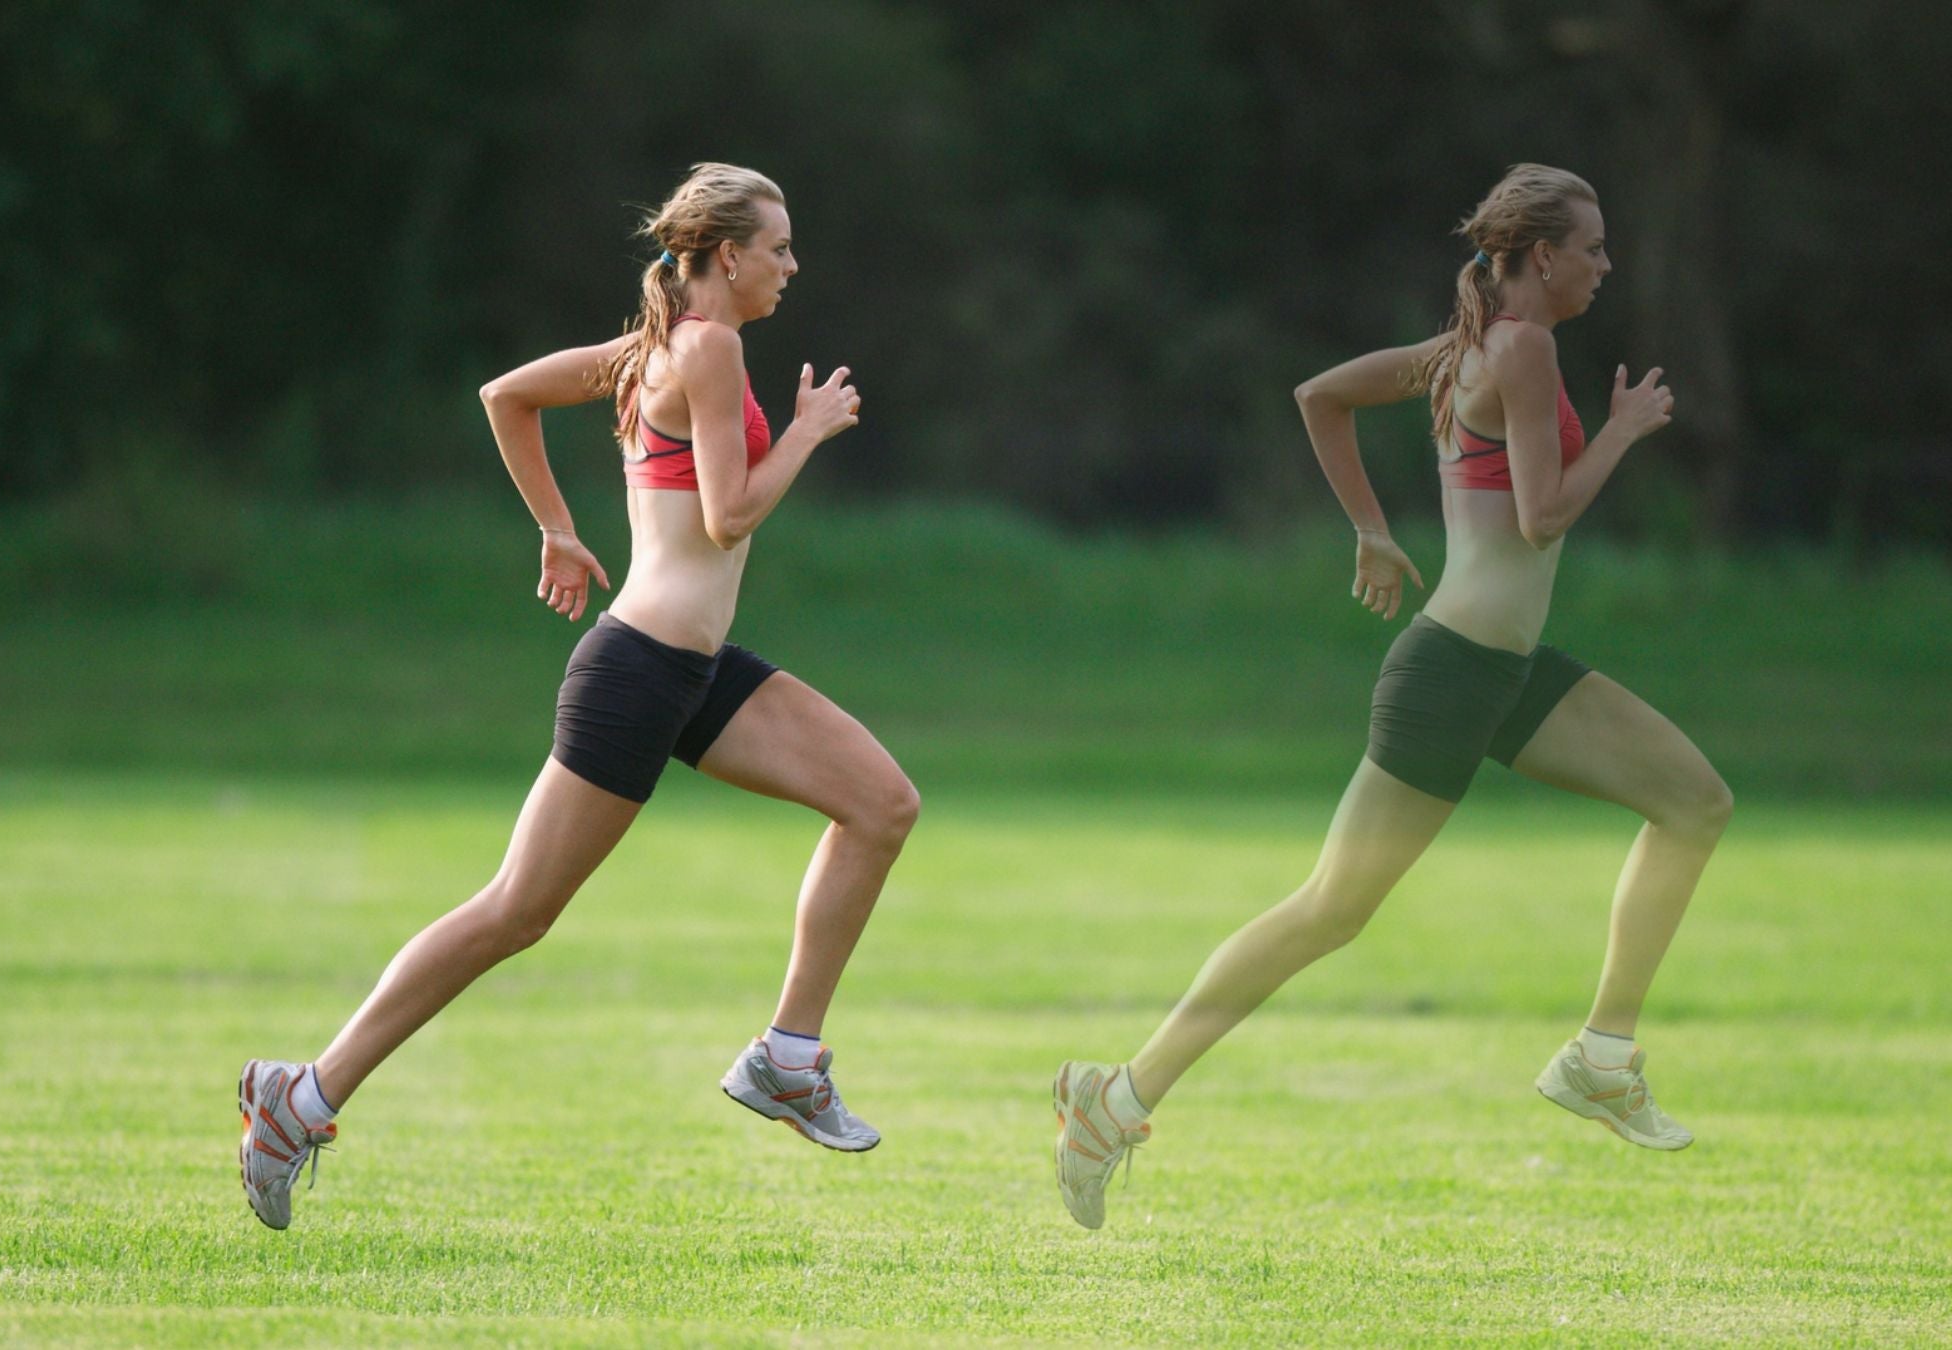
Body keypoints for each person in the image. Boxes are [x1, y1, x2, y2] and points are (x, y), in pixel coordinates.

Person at [239, 163, 917, 1231]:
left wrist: (558, 527)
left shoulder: (657, 347)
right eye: (779, 247)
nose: (793, 265)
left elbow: (505, 396)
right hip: (640, 672)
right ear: (726, 256)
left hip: (691, 670)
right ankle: (303, 1096)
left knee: (880, 803)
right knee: (516, 911)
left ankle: (789, 1055)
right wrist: (808, 430)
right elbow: (731, 517)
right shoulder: (705, 345)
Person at [1053, 164, 1730, 1229]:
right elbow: (1546, 516)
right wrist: (1625, 430)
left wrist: (1373, 528)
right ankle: (1118, 1096)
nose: (1606, 266)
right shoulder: (1520, 345)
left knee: (1694, 802)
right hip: (1455, 673)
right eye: (1592, 248)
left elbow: (1319, 397)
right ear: (1541, 256)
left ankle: (1604, 1054)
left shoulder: (1468, 348)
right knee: (1329, 910)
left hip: (1501, 672)